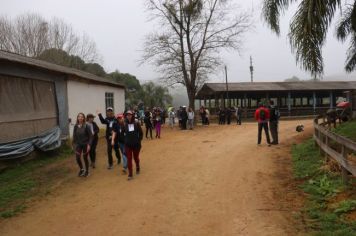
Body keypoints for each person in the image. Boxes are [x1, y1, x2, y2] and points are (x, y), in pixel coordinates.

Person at [124, 110, 143, 180]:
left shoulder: (136, 123)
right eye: (127, 115)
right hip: (128, 145)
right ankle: (130, 174)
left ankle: (137, 166)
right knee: (129, 159)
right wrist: (125, 140)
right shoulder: (125, 124)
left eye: (130, 115)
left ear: (132, 115)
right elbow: (122, 133)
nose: (129, 116)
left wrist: (138, 140)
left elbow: (141, 133)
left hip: (136, 145)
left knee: (136, 158)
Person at [72, 113, 93, 177]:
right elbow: (74, 136)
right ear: (77, 118)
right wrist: (73, 145)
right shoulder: (75, 126)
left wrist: (89, 144)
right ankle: (82, 169)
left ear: (83, 118)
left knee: (85, 158)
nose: (80, 118)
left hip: (85, 144)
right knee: (77, 158)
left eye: (81, 117)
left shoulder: (86, 126)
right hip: (78, 144)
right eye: (79, 117)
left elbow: (91, 136)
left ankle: (87, 171)